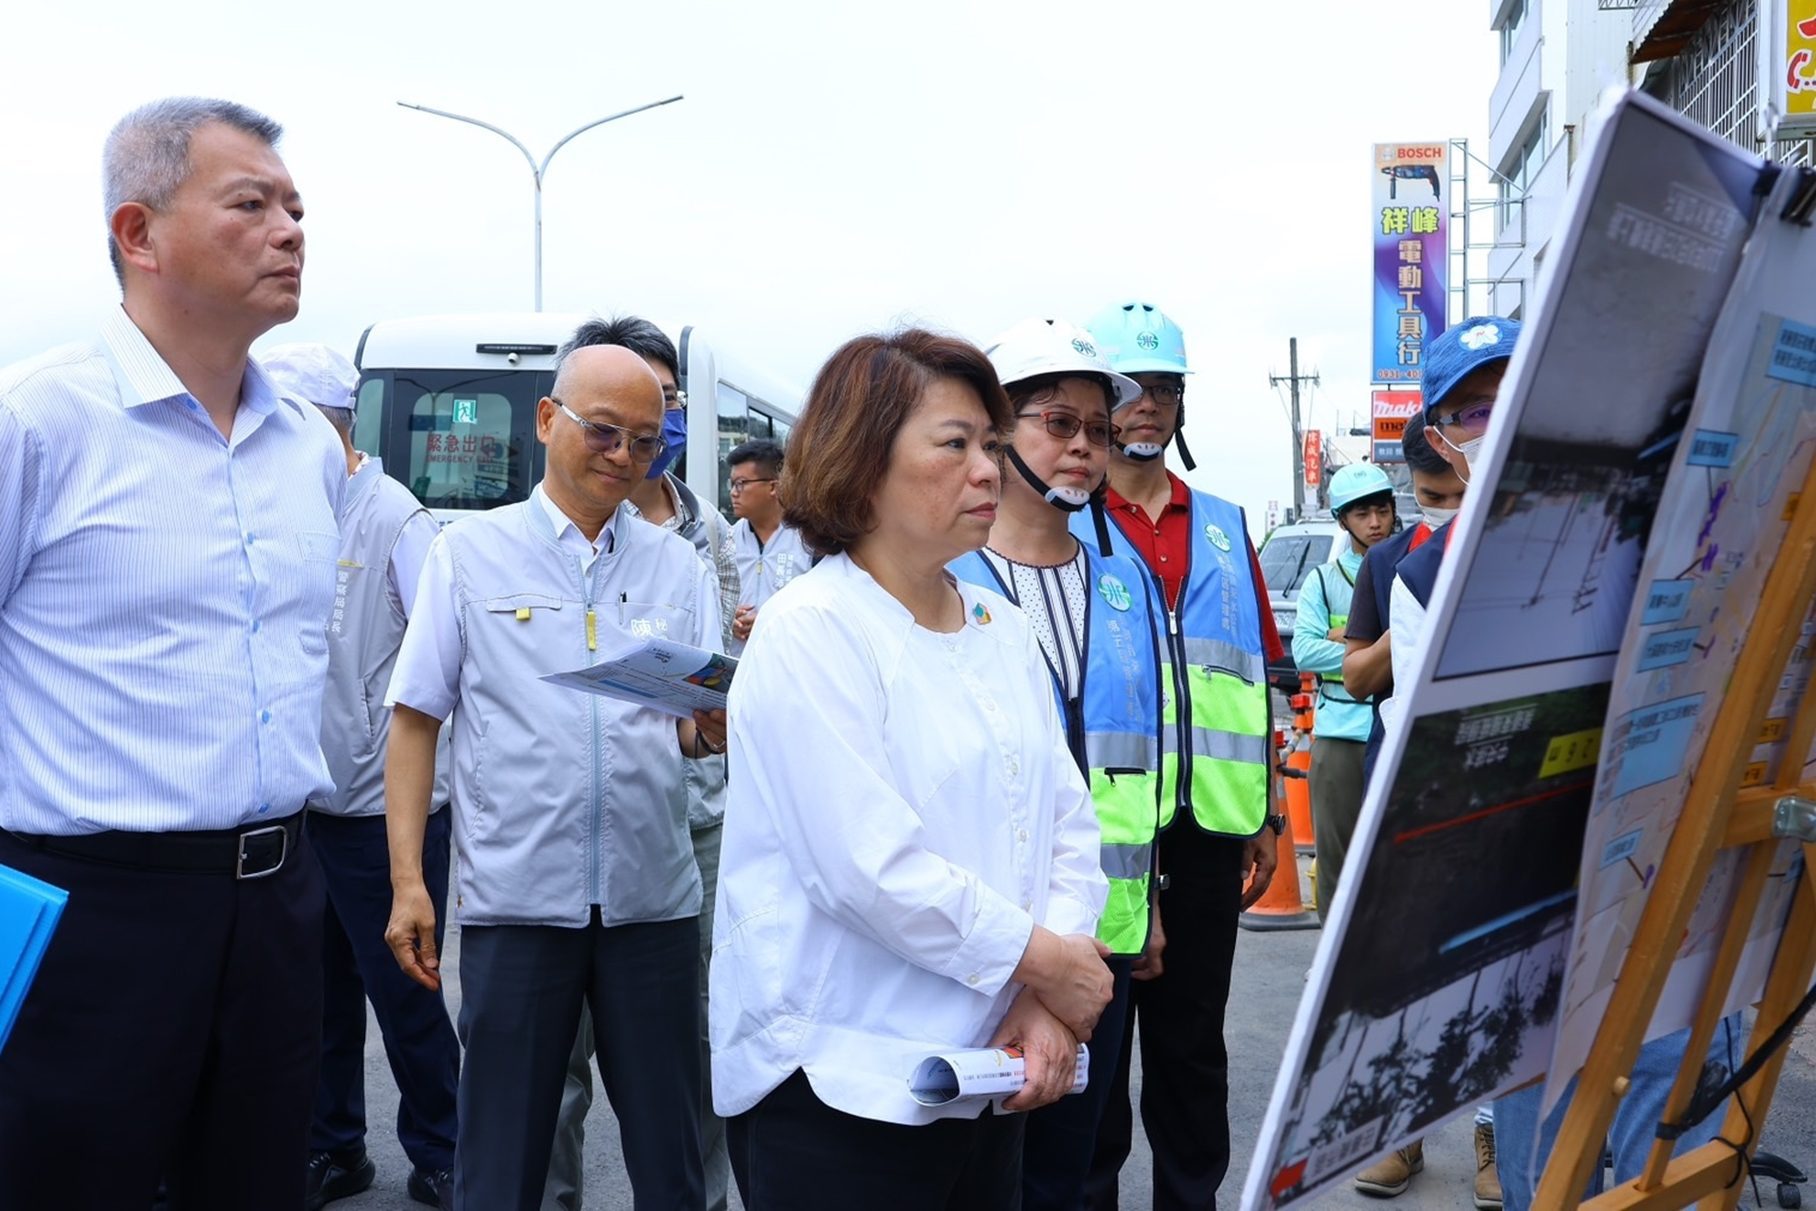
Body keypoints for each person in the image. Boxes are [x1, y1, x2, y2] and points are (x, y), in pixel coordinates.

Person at [0, 97, 345, 1210]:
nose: (292, 228)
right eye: (251, 203)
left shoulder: (307, 450)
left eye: (296, 206)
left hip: (278, 902)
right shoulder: (39, 423)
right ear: (137, 233)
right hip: (89, 911)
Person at [711, 328, 1115, 1210]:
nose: (988, 470)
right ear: (862, 464)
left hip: (988, 1065)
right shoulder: (812, 628)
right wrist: (1049, 961)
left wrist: (1046, 996)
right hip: (844, 1084)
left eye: (993, 445)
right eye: (956, 443)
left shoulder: (999, 626)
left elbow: (1067, 823)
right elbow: (866, 866)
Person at [1378, 316, 1734, 1211]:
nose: (1493, 426)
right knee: (1547, 1173)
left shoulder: (1667, 527)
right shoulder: (1422, 578)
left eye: (1513, 398)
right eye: (1467, 414)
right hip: (1524, 923)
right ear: (1442, 444)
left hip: (1665, 892)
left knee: (1674, 1154)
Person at [382, 336, 726, 1210]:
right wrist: (408, 882)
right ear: (547, 420)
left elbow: (688, 730)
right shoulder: (470, 554)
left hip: (653, 901)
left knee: (672, 1154)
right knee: (502, 1160)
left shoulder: (677, 565)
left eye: (647, 442)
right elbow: (417, 718)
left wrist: (712, 727)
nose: (624, 458)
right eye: (603, 432)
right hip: (516, 901)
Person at [946, 317, 1163, 1211]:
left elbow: (1143, 757)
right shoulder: (948, 578)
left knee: (1076, 1164)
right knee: (981, 1168)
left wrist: (1143, 906)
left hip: (1096, 933)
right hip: (978, 942)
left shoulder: (1126, 583)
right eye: (1057, 423)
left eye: (1098, 430)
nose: (1083, 447)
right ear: (1001, 432)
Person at [1081, 300, 1285, 1210]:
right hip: (1105, 833)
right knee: (1095, 1054)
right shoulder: (1069, 523)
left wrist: (1271, 809)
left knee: (1193, 1050)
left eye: (1165, 387)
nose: (1149, 405)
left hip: (1211, 826)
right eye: (1131, 388)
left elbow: (1256, 676)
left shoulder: (1225, 526)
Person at [543, 315, 741, 1211]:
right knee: (556, 1064)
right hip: (561, 841)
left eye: (658, 409)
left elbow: (725, 678)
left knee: (684, 1051)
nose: (634, 434)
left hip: (688, 826)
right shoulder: (532, 536)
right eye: (613, 416)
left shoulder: (710, 538)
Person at [258, 343, 460, 1211]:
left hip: (386, 810)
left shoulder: (396, 517)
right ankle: (335, 1145)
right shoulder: (287, 509)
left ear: (322, 425)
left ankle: (448, 1149)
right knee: (320, 995)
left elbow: (445, 665)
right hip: (307, 800)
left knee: (403, 993)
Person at [1292, 461, 1397, 925]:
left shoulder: (1409, 562)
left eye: (1381, 511)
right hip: (1340, 734)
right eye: (1361, 515)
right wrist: (1382, 654)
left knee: (1397, 855)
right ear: (1342, 520)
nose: (1374, 523)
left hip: (1397, 729)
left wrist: (1349, 643)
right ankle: (1332, 960)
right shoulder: (1323, 580)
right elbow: (1304, 652)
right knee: (1336, 858)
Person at [1340, 411, 1465, 786]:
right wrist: (1412, 628)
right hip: (1402, 767)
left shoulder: (1505, 550)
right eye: (1432, 495)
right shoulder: (1385, 561)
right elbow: (1356, 678)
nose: (1448, 507)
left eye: (1461, 494)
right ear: (1412, 484)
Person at [725, 437, 810, 651]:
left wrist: (769, 620)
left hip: (788, 662)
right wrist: (728, 620)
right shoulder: (727, 539)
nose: (733, 492)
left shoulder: (809, 541)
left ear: (773, 487)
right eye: (732, 484)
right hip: (737, 669)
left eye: (741, 484)